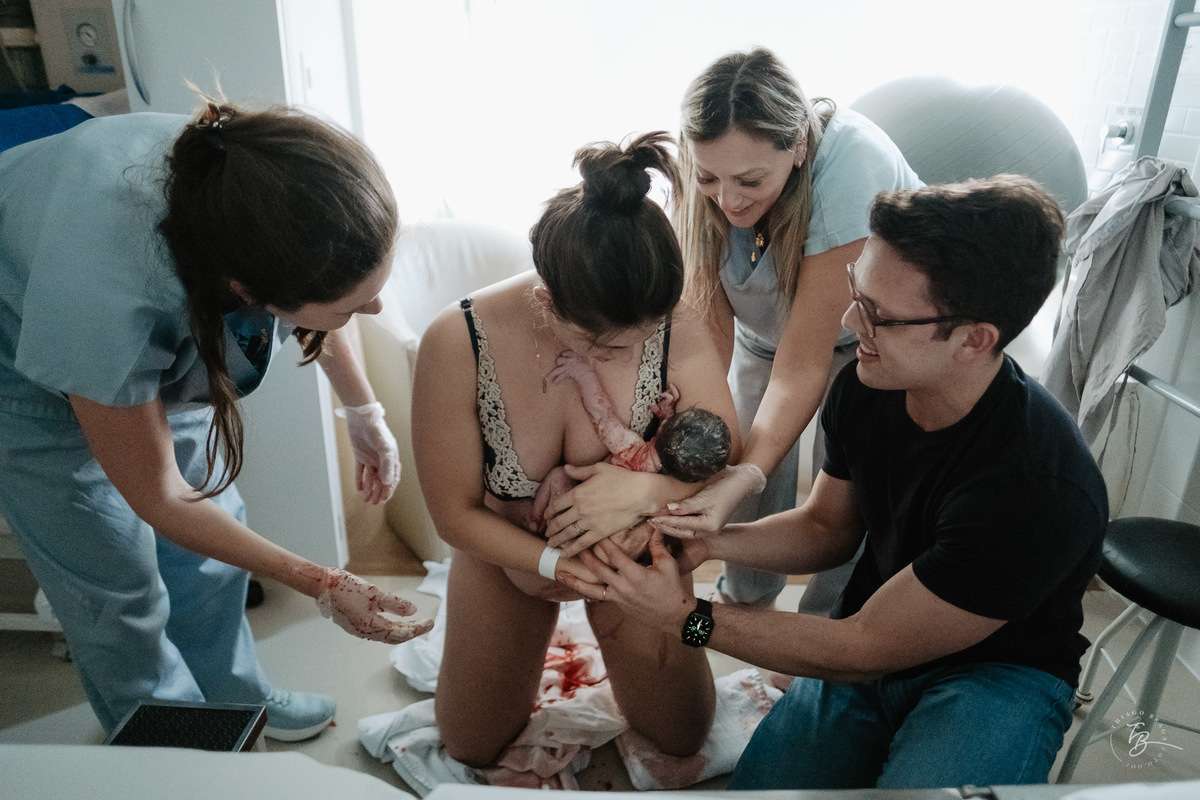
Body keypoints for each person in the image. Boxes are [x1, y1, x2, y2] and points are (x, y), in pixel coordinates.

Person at [562, 176, 1109, 790]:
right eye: (857, 291)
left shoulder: (1039, 491)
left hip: (997, 674)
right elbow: (826, 529)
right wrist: (713, 541)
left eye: (877, 314)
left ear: (973, 339)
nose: (850, 321)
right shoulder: (868, 387)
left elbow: (864, 646)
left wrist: (686, 616)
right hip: (869, 640)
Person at [0, 100, 432, 741]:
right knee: (116, 589)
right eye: (349, 306)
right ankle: (168, 737)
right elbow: (162, 496)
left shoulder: (257, 187)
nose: (372, 309)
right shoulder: (108, 292)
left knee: (214, 550)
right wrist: (322, 581)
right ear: (246, 289)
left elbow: (317, 299)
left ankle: (237, 703)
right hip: (24, 373)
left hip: (147, 318)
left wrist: (363, 410)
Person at [542, 47, 922, 615]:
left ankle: (823, 626)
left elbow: (803, 365)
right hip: (766, 341)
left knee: (839, 497)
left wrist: (734, 477)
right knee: (733, 462)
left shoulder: (850, 170)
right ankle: (746, 605)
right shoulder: (690, 614)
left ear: (798, 148)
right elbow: (708, 344)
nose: (729, 200)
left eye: (749, 180)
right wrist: (668, 459)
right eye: (709, 180)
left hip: (867, 345)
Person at [410, 132, 740, 767]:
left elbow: (722, 453)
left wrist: (650, 491)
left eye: (641, 338)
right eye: (609, 347)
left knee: (684, 735)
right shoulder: (456, 341)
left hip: (635, 558)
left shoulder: (674, 317)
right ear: (546, 302)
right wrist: (553, 566)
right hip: (504, 556)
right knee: (471, 743)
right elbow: (453, 514)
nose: (627, 353)